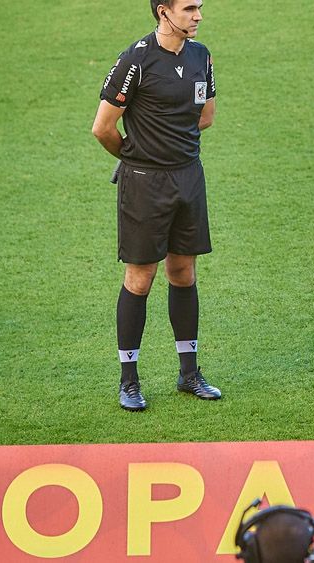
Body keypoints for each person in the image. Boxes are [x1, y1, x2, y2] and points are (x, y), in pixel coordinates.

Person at [92, 0, 221, 411]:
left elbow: (206, 116)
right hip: (145, 183)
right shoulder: (137, 58)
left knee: (183, 272)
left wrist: (170, 137)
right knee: (140, 278)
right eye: (189, 8)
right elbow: (103, 127)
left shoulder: (201, 56)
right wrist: (137, 155)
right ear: (163, 11)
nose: (198, 15)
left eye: (199, 7)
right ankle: (129, 380)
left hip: (188, 177)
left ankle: (189, 373)